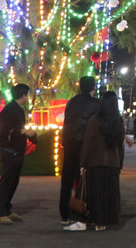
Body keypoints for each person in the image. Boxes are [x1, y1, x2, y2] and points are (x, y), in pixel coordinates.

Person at [65, 91, 126, 232]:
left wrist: (83, 164)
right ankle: (102, 222)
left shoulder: (95, 120)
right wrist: (120, 164)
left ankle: (84, 221)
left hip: (95, 162)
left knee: (92, 192)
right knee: (108, 194)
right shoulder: (119, 121)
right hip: (113, 163)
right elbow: (120, 145)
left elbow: (88, 144)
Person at [0, 83, 36, 225]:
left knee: (13, 180)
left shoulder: (17, 110)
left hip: (16, 150)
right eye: (27, 95)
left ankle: (7, 209)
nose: (28, 98)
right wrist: (25, 132)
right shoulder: (10, 110)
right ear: (23, 95)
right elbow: (6, 131)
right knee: (7, 181)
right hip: (9, 150)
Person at [59, 76, 99, 225]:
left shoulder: (71, 102)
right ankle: (84, 211)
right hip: (86, 145)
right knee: (85, 179)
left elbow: (67, 123)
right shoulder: (96, 104)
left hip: (70, 144)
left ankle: (64, 213)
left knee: (67, 179)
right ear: (93, 88)